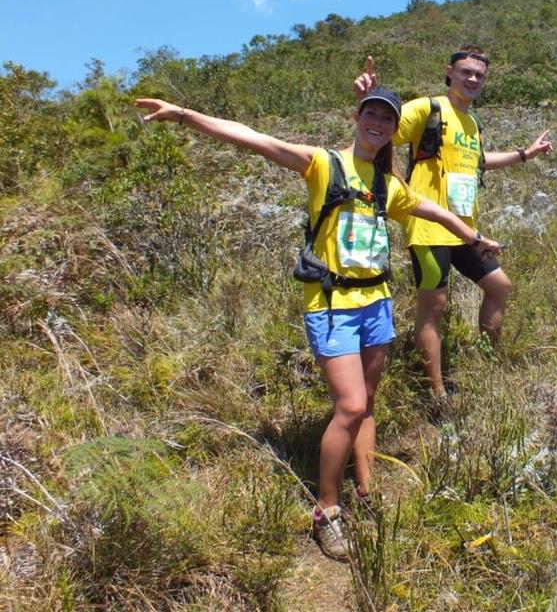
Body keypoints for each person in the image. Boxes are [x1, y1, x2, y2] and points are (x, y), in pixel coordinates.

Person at [135, 88, 500, 561]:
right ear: (357, 117)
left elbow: (430, 209)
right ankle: (327, 512)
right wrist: (184, 115)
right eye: (371, 113)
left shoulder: (387, 182)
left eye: (386, 119)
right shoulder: (323, 164)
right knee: (349, 406)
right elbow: (256, 140)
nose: (377, 123)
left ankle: (366, 492)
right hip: (331, 304)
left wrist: (474, 236)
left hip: (376, 301)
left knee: (367, 402)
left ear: (393, 130)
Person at [354, 47, 553, 399]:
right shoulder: (426, 109)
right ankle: (436, 392)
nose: (473, 79)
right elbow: (380, 133)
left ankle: (487, 361)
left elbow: (478, 162)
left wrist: (525, 154)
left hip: (464, 229)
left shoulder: (472, 123)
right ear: (450, 72)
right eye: (466, 72)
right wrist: (366, 99)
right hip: (429, 226)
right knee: (435, 307)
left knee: (499, 287)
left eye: (479, 74)